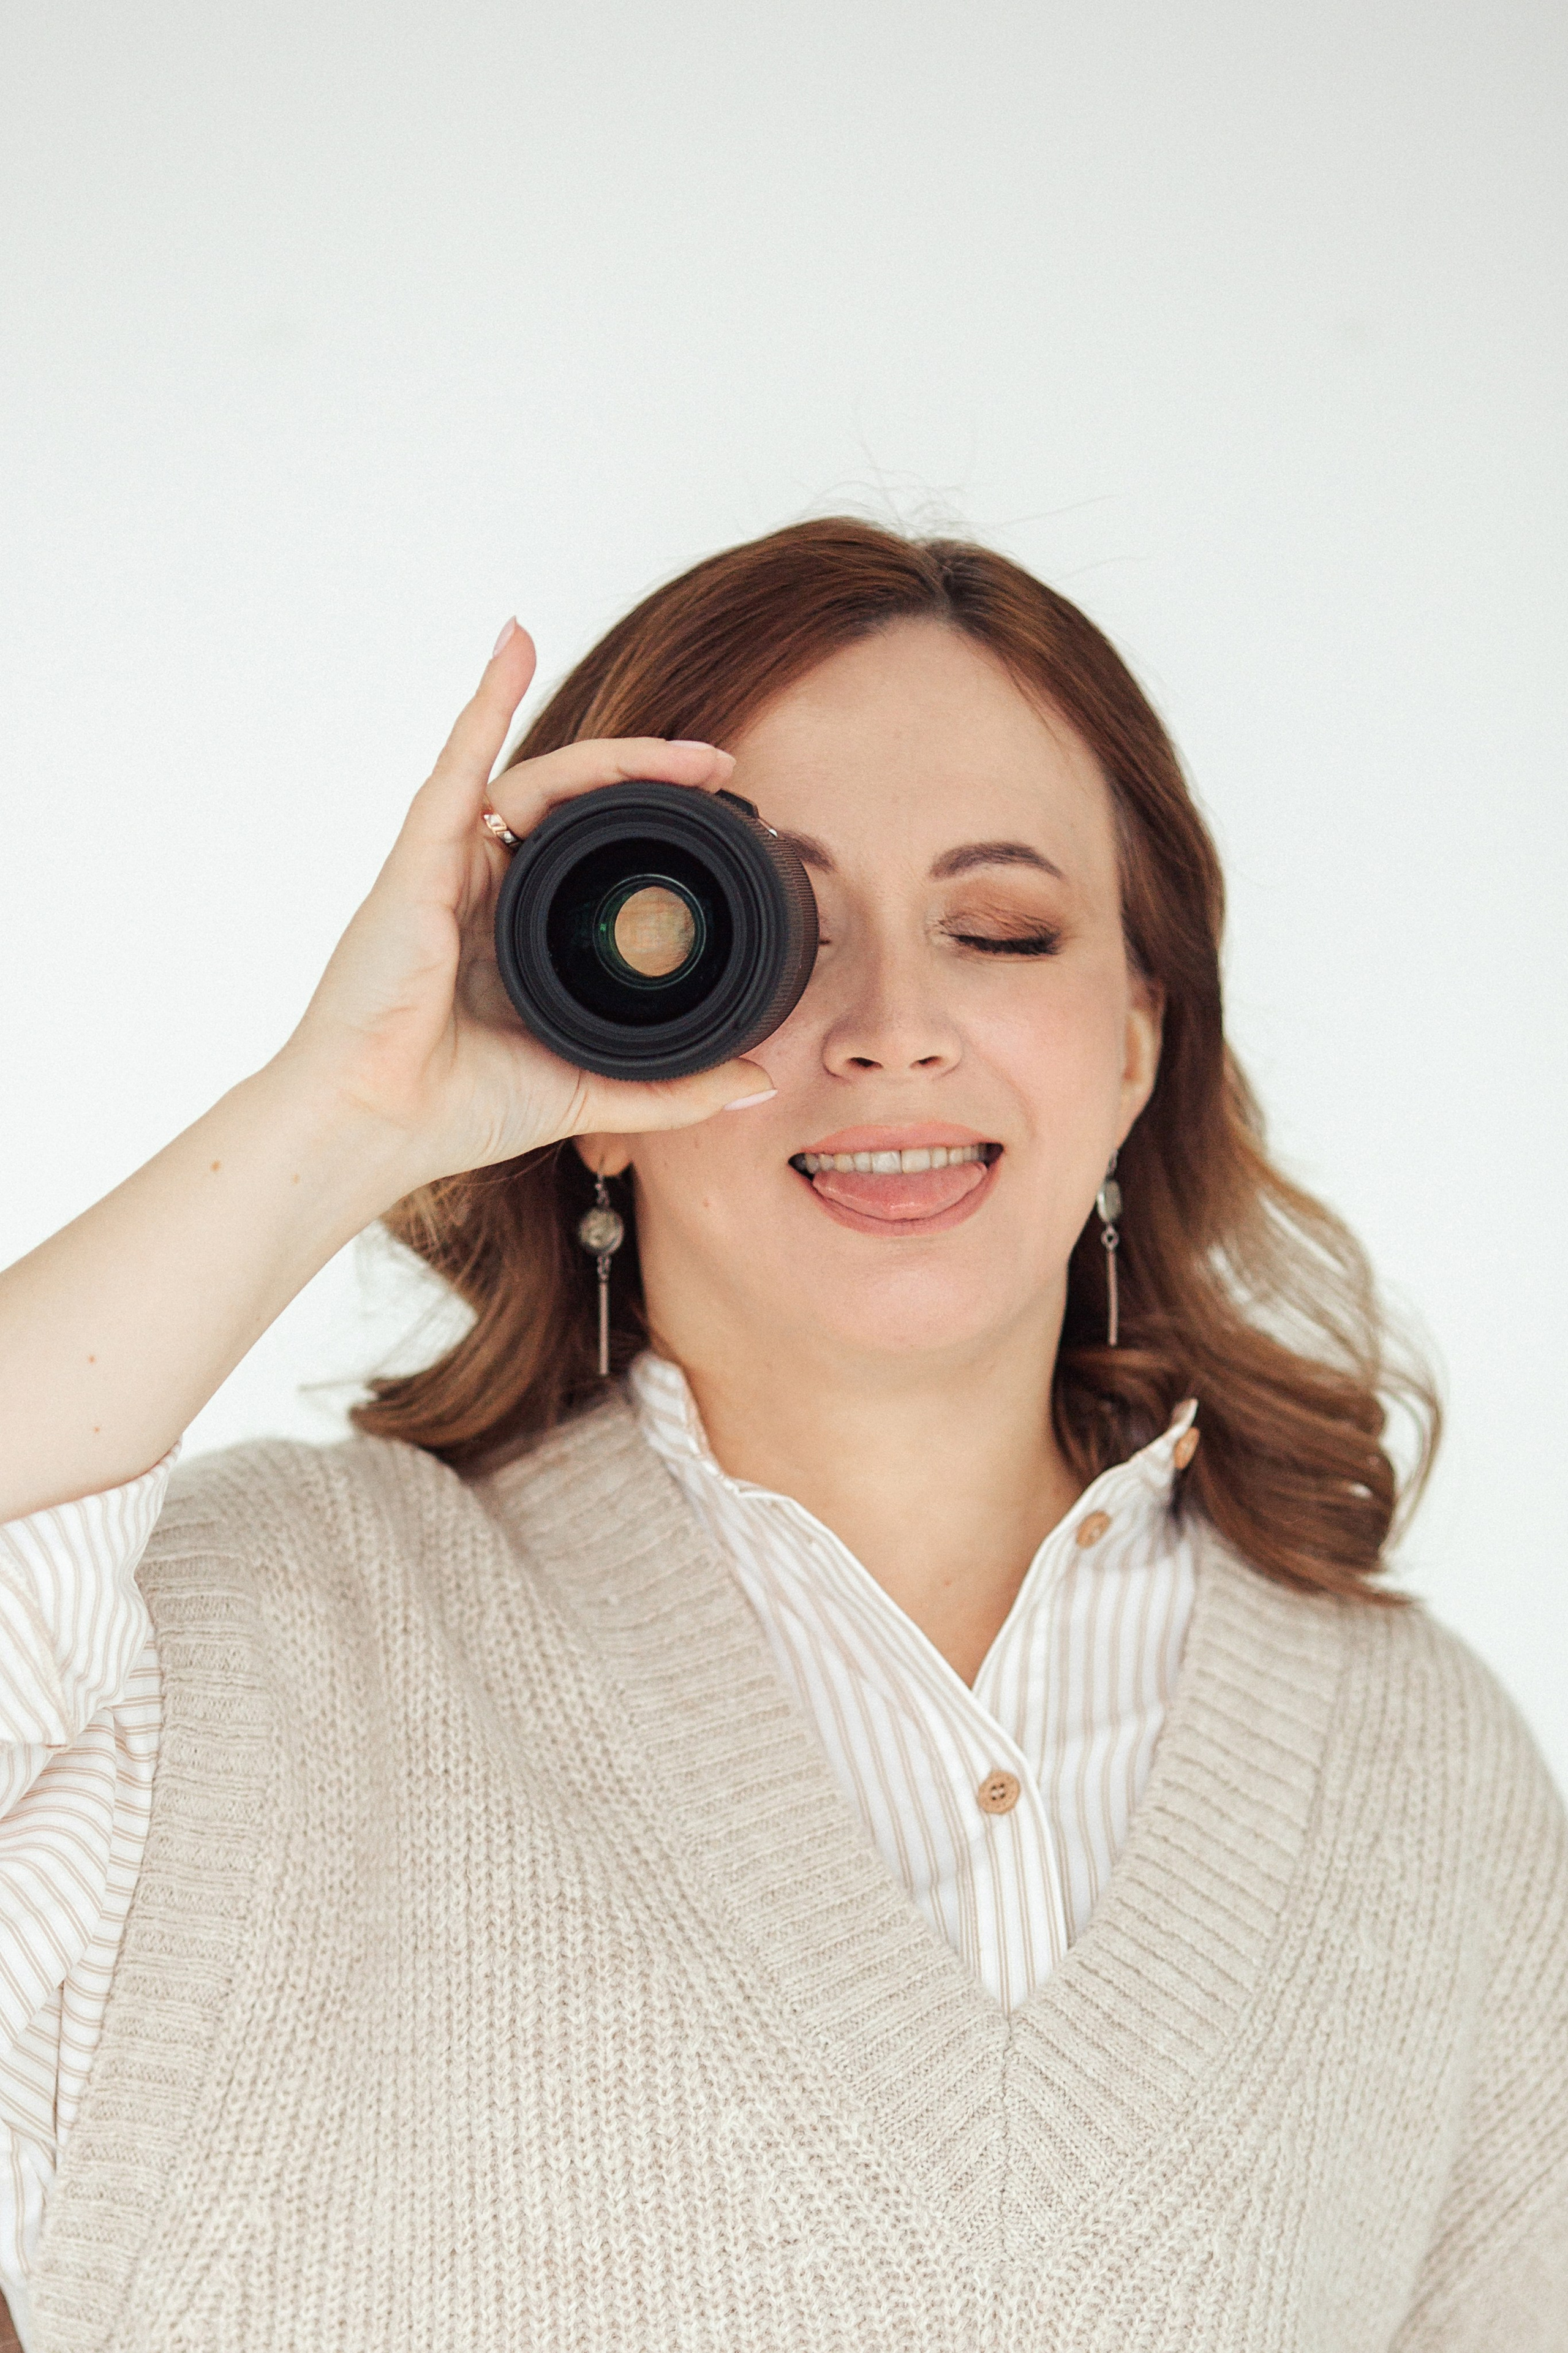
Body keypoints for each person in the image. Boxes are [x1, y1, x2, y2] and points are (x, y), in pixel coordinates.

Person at [1, 519, 1563, 2353]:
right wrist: (340, 1112)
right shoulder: (258, 1645)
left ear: (1139, 1040)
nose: (896, 1029)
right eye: (770, 936)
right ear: (592, 1054)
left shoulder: (1415, 1766)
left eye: (1001, 929)